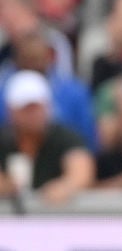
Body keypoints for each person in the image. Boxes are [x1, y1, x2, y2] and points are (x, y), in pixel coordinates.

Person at [0, 70, 95, 204]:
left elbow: (82, 172)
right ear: (11, 111)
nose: (33, 115)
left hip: (56, 215)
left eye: (37, 107)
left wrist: (65, 187)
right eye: (26, 109)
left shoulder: (65, 137)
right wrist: (5, 186)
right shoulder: (3, 139)